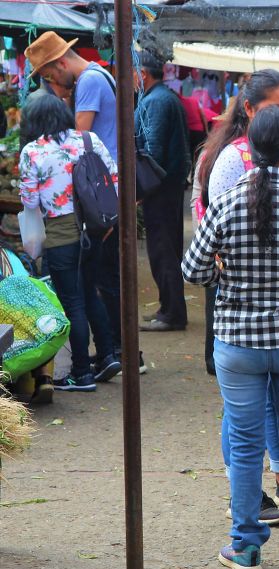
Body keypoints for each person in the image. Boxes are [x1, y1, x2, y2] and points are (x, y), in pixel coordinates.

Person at [182, 105, 279, 569]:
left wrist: (226, 268)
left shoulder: (225, 202)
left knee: (244, 446)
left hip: (238, 345)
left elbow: (194, 271)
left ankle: (245, 547)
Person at [197, 69, 279, 525]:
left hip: (239, 333)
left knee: (250, 435)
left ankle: (245, 545)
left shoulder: (234, 189)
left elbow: (196, 264)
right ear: (253, 110)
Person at [25, 32, 123, 360]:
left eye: (51, 76)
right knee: (94, 287)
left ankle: (88, 366)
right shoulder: (96, 77)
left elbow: (72, 139)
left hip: (78, 216)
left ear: (61, 63)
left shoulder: (90, 83)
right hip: (96, 209)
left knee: (79, 295)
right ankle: (110, 354)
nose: (55, 84)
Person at [18, 94, 120, 392]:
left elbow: (30, 201)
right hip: (95, 227)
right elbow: (113, 177)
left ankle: (81, 374)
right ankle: (106, 357)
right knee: (89, 292)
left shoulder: (33, 151)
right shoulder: (88, 140)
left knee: (71, 300)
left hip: (61, 231)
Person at [135, 52, 190, 333]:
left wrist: (142, 189)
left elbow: (152, 152)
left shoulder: (156, 101)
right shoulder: (162, 97)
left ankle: (172, 314)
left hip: (161, 188)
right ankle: (167, 307)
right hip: (167, 185)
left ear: (143, 73)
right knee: (165, 248)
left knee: (163, 250)